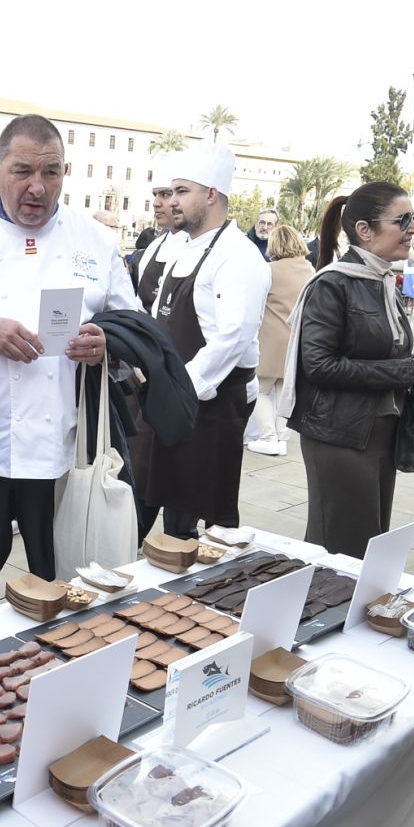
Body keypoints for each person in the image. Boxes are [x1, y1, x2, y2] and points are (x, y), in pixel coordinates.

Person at [0, 114, 140, 614]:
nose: (37, 187)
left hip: (59, 450)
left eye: (51, 173)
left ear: (64, 174)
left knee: (59, 588)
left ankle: (57, 673)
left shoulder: (93, 240)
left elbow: (132, 324)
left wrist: (106, 342)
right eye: (22, 172)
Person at [284, 182, 414, 557]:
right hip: (339, 435)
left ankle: (350, 614)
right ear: (364, 230)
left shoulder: (381, 279)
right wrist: (407, 370)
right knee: (340, 548)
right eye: (403, 220)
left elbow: (376, 350)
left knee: (368, 541)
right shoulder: (333, 284)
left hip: (380, 430)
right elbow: (321, 366)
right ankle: (321, 615)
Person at [135, 146, 270, 538]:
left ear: (212, 195)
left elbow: (231, 338)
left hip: (210, 406)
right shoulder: (182, 248)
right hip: (168, 398)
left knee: (193, 519)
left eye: (180, 192)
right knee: (142, 499)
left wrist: (178, 387)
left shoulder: (238, 257)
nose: (170, 202)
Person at [245, 222, 316, 456]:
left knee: (259, 390)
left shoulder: (268, 270)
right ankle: (281, 436)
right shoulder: (309, 269)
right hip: (296, 341)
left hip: (269, 340)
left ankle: (268, 436)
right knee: (286, 393)